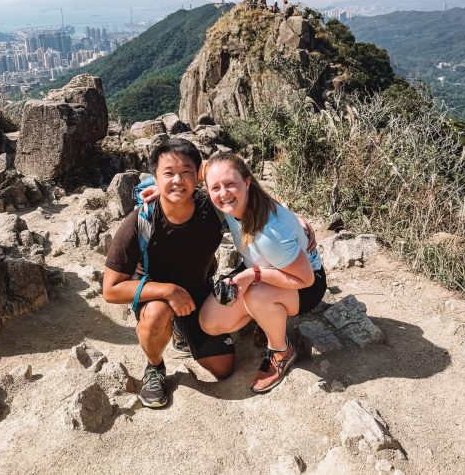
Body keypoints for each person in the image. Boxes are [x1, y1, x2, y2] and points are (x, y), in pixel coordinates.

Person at [102, 138, 235, 409]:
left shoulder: (212, 207)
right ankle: (154, 366)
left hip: (199, 291)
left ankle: (181, 329)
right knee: (156, 314)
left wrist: (295, 222)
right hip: (156, 297)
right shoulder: (141, 220)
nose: (178, 180)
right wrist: (167, 290)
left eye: (186, 172)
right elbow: (111, 289)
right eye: (168, 173)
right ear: (155, 177)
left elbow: (241, 182)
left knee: (224, 369)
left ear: (198, 176)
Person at [199, 152, 327, 394]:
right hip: (263, 267)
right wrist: (158, 191)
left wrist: (252, 276)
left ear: (247, 182)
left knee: (256, 295)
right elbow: (192, 170)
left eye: (230, 184)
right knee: (210, 322)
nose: (223, 193)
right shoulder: (236, 202)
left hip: (305, 284)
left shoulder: (271, 235)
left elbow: (306, 279)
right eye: (215, 187)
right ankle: (268, 318)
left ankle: (280, 349)